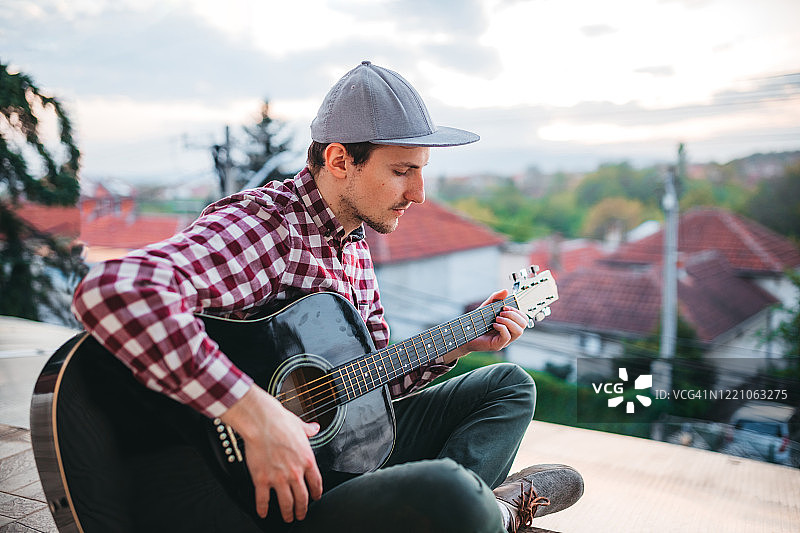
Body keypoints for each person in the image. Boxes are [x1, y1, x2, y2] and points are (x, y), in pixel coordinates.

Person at [72, 61, 583, 533]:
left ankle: (474, 512)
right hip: (249, 498)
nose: (419, 193)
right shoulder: (266, 226)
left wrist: (460, 345)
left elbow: (370, 391)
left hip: (336, 460)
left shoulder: (355, 242)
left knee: (509, 386)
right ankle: (491, 509)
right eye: (403, 171)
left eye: (422, 170)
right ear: (340, 160)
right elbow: (114, 290)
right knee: (451, 490)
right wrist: (256, 414)